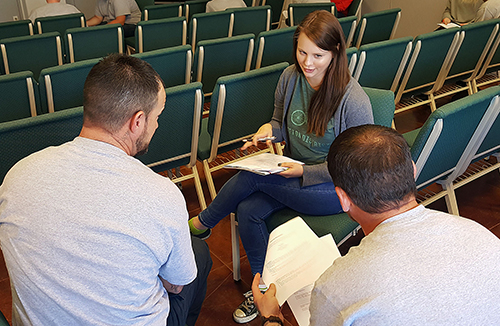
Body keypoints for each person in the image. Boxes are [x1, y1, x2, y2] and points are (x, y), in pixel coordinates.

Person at [188, 10, 373, 323]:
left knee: (251, 180)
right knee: (248, 209)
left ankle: (201, 224)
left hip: (334, 189)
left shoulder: (352, 99)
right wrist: (268, 131)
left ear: (336, 52)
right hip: (293, 174)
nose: (308, 62)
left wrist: (304, 172)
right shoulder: (290, 78)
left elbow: (355, 165)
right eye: (302, 52)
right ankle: (260, 291)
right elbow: (279, 123)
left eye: (318, 54)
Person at [0, 54, 212, 326]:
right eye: (157, 116)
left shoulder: (17, 174)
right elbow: (177, 285)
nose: (157, 125)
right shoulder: (162, 195)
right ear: (137, 122)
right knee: (199, 253)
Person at [252, 124, 500, 326]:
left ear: (343, 199)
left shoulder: (333, 288)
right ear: (413, 171)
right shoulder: (483, 236)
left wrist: (273, 319)